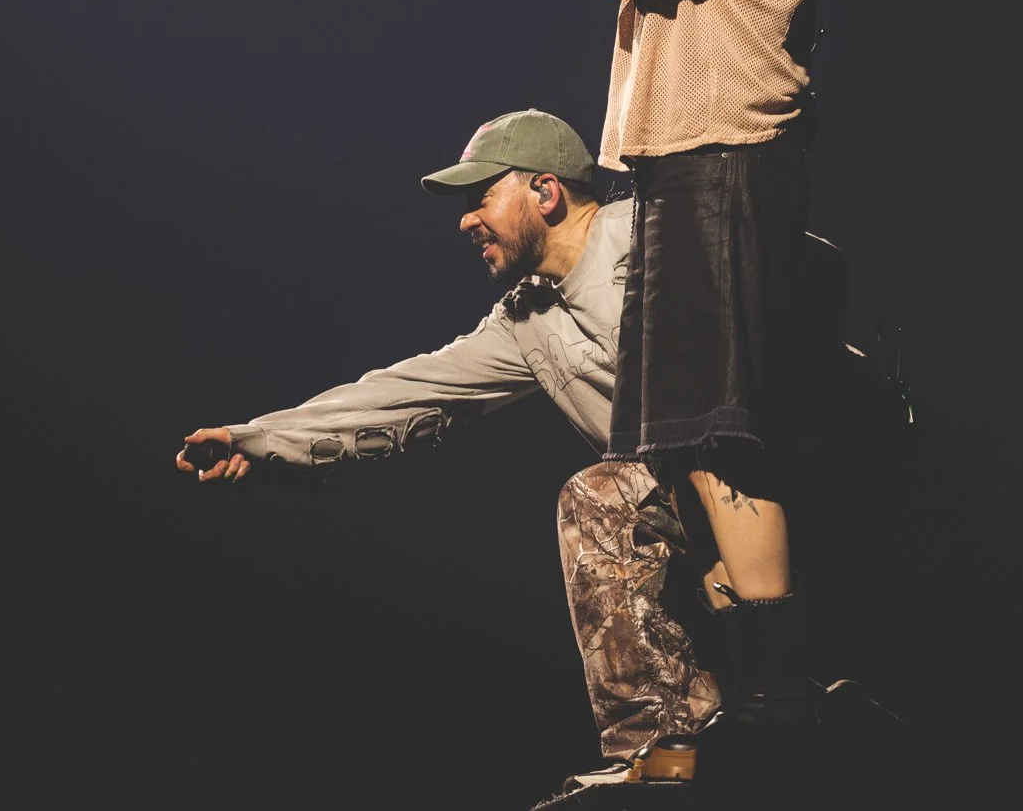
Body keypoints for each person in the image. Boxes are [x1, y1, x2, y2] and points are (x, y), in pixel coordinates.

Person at [173, 109, 720, 794]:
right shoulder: (527, 318)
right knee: (608, 497)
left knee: (604, 493)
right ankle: (666, 753)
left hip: (790, 466)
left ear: (545, 191)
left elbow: (787, 270)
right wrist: (262, 440)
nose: (466, 222)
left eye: (481, 198)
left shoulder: (649, 233)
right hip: (690, 511)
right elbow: (405, 393)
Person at [544, 0, 863, 734]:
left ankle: (777, 677)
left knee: (723, 431)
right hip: (678, 158)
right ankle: (762, 661)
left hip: (728, 154)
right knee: (683, 432)